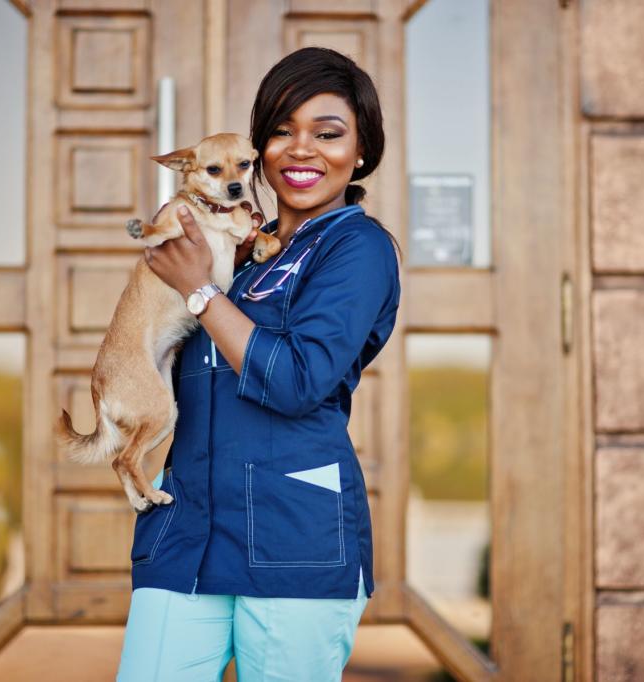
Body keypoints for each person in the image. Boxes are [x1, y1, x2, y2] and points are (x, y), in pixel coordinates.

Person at [115, 45, 403, 682]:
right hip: (183, 533)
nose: (302, 150)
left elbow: (297, 380)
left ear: (360, 151)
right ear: (259, 151)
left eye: (328, 134)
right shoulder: (242, 244)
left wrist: (202, 291)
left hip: (291, 539)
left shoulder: (358, 249)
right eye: (281, 131)